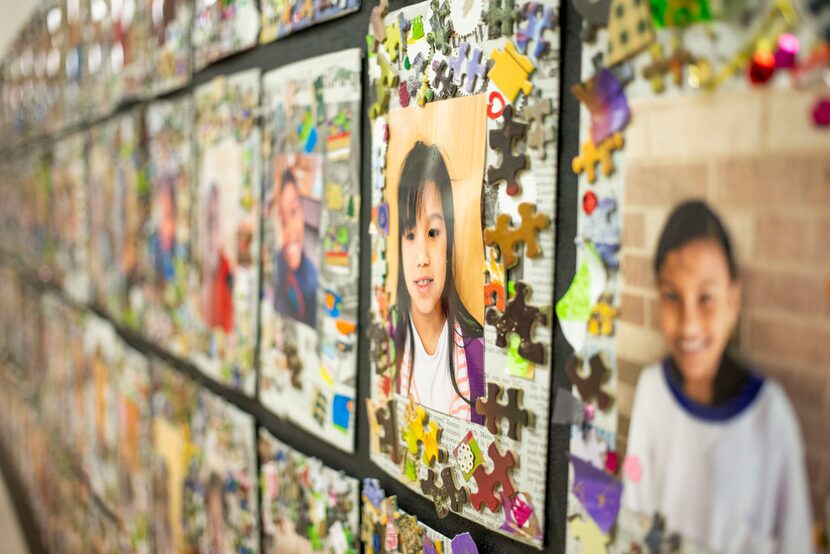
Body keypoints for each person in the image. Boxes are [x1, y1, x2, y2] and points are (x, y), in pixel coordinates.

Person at [622, 200, 813, 553]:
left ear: (733, 301)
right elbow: (636, 518)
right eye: (671, 296)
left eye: (706, 298)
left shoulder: (771, 417)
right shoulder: (652, 392)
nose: (689, 324)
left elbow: (796, 542)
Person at [394, 141, 484, 423]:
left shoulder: (479, 352)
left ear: (449, 240)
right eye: (410, 234)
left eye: (433, 232)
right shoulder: (388, 341)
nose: (422, 257)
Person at [273, 169, 318, 329]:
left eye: (293, 212)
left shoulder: (312, 282)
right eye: (282, 218)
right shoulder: (277, 264)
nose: (290, 229)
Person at [200, 184, 234, 334]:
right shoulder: (206, 270)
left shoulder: (226, 267)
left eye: (214, 223)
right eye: (209, 223)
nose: (211, 234)